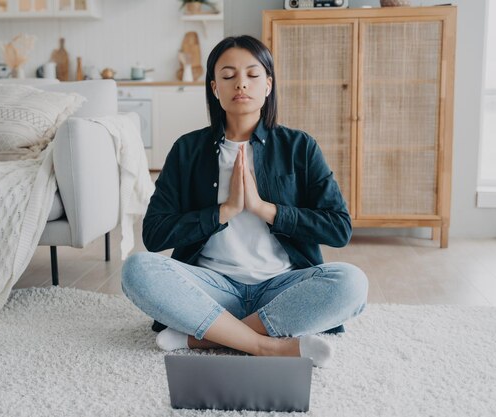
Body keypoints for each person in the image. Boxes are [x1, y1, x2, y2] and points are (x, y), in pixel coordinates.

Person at [122, 35, 368, 367]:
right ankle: (267, 345)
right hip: (211, 288)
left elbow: (339, 229)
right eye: (228, 76)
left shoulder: (299, 147)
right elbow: (154, 235)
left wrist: (264, 209)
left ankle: (204, 338)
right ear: (214, 88)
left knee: (352, 282)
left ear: (268, 85)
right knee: (137, 269)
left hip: (281, 289)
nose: (241, 84)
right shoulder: (187, 149)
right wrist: (224, 212)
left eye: (253, 75)